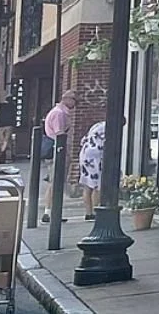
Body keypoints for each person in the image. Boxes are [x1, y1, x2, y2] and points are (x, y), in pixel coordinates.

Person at [40, 90, 75, 224]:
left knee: (53, 182)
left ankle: (51, 211)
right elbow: (59, 134)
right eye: (74, 100)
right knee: (55, 183)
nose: (75, 104)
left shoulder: (58, 112)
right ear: (66, 99)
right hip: (57, 152)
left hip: (56, 151)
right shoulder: (59, 114)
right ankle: (51, 212)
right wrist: (65, 153)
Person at [78, 121, 105, 221]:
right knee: (97, 185)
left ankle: (88, 213)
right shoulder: (109, 129)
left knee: (87, 185)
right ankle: (95, 212)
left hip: (85, 154)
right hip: (95, 157)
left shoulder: (97, 125)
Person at [0, 93, 16, 162]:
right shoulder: (13, 105)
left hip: (1, 124)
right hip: (9, 125)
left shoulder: (0, 105)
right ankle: (3, 154)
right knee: (6, 140)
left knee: (1, 140)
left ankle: (1, 155)